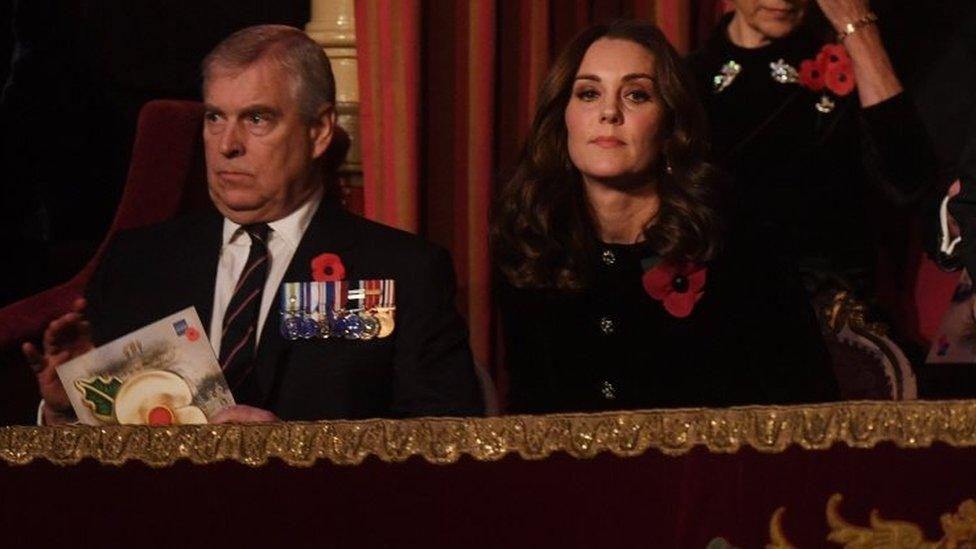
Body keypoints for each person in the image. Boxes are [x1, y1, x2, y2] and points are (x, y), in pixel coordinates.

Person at [23, 25, 484, 424]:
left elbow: (443, 443)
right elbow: (102, 471)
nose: (227, 145)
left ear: (319, 131)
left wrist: (288, 455)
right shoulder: (136, 263)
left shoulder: (404, 270)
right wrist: (68, 410)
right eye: (214, 118)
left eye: (257, 118)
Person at [491, 20, 838, 414]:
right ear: (562, 118)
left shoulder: (742, 248)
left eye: (636, 95)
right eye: (589, 93)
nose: (608, 112)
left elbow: (809, 414)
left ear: (670, 123)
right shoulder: (532, 246)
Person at [685, 0, 936, 304]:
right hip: (717, 303)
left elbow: (909, 181)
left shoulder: (849, 60)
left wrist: (857, 32)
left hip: (830, 313)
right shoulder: (688, 79)